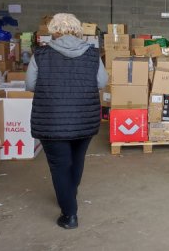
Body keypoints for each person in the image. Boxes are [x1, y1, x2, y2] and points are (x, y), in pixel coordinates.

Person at [25, 13, 108, 229]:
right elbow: (102, 81)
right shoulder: (92, 54)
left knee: (60, 166)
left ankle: (69, 214)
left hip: (51, 120)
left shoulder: (40, 55)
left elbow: (31, 85)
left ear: (54, 30)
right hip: (84, 118)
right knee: (77, 159)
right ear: (78, 29)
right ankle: (70, 194)